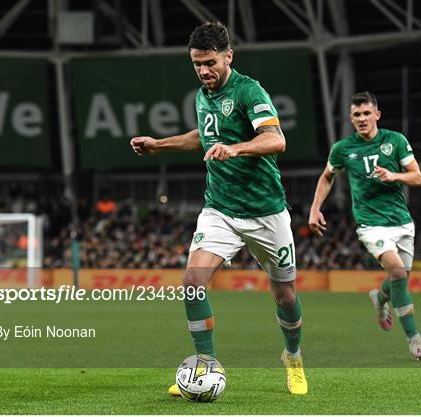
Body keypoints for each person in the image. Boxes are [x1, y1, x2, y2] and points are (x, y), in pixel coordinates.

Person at [131, 22, 308, 395]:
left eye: (209, 63)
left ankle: (292, 358)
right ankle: (204, 366)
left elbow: (276, 139)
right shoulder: (202, 95)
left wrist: (236, 147)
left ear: (229, 56)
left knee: (285, 294)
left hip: (265, 211)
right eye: (196, 64)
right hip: (220, 209)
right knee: (193, 282)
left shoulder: (248, 91)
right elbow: (203, 136)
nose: (203, 71)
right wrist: (158, 145)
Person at [308, 91, 421, 360]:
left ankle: (380, 297)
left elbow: (417, 177)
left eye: (367, 113)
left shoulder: (395, 141)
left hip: (401, 222)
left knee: (399, 280)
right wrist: (315, 208)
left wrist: (393, 175)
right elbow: (327, 177)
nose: (362, 119)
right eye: (357, 115)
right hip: (370, 224)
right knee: (398, 274)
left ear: (377, 114)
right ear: (351, 119)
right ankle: (415, 340)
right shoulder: (343, 149)